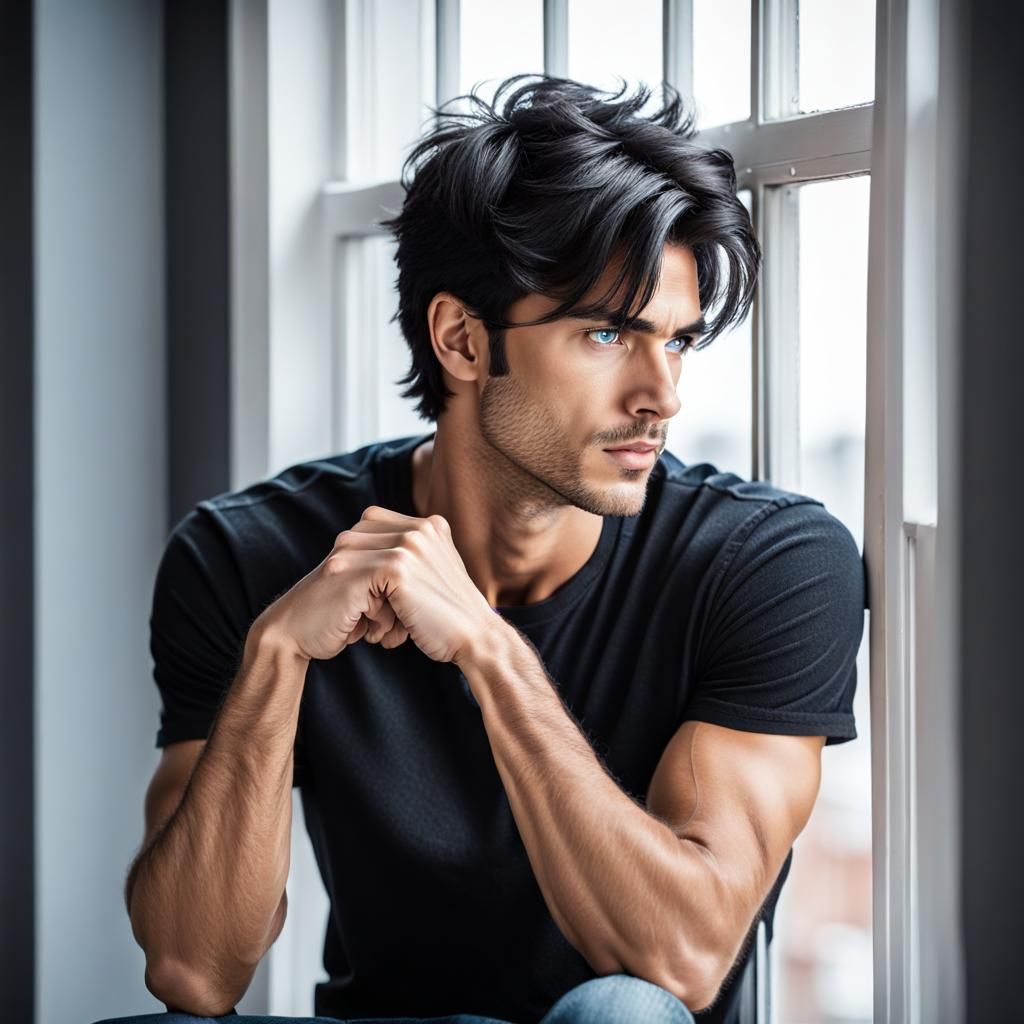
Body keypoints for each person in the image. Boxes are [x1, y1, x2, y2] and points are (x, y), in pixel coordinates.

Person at [102, 74, 866, 1024]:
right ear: (462, 341)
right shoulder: (248, 552)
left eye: (679, 341)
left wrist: (489, 649)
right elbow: (190, 970)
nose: (662, 395)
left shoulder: (768, 560)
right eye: (605, 333)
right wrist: (275, 656)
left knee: (623, 1011)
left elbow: (684, 957)